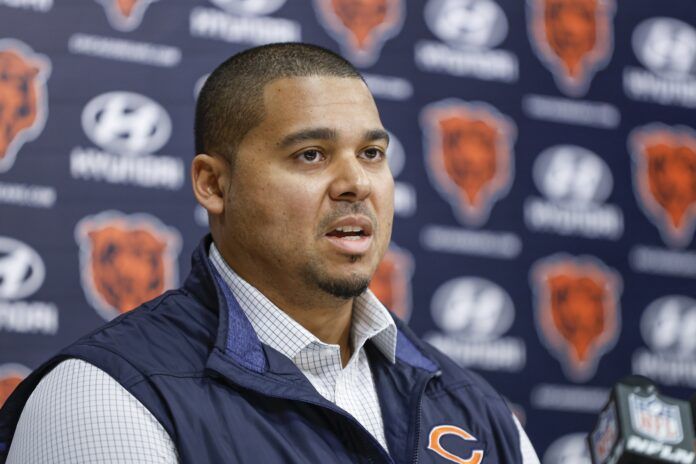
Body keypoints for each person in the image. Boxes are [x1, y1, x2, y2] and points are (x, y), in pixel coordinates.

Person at [0, 43, 539, 463]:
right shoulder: (105, 397)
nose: (356, 183)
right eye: (311, 154)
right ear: (213, 183)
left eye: (372, 153)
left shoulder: (480, 411)